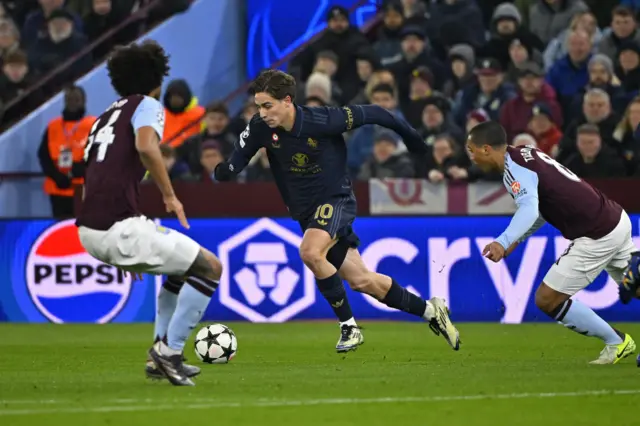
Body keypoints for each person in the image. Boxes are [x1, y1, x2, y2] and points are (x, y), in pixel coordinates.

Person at [214, 69, 460, 353]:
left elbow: (376, 112)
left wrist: (412, 138)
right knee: (363, 281)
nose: (262, 112)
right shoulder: (259, 127)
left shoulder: (323, 120)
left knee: (309, 252)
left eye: (267, 105)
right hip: (306, 212)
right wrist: (226, 171)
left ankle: (349, 328)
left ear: (287, 101)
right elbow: (237, 159)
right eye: (259, 106)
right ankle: (432, 311)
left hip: (335, 199)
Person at [75, 40, 222, 386]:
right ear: (157, 79)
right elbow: (145, 147)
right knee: (211, 268)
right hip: (115, 225)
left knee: (179, 270)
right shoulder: (148, 105)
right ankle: (169, 352)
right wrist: (170, 196)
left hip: (91, 226)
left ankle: (160, 352)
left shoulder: (103, 118)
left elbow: (92, 176)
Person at [466, 121, 637, 364]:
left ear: (485, 149)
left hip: (597, 233)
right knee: (636, 285)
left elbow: (529, 209)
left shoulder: (514, 169)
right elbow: (543, 206)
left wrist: (503, 241)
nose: (471, 157)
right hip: (614, 219)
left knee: (547, 299)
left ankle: (617, 342)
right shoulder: (524, 154)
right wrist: (517, 238)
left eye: (471, 150)